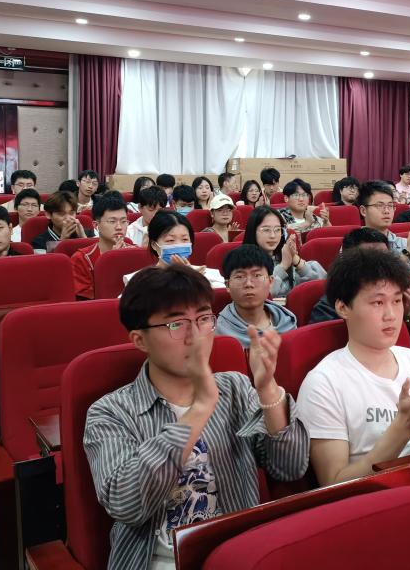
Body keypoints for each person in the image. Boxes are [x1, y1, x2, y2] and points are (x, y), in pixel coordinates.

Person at [84, 265, 309, 569]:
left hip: (238, 553)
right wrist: (200, 408)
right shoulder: (110, 412)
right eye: (176, 324)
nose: (196, 336)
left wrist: (267, 388)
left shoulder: (235, 387)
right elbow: (127, 504)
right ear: (139, 340)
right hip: (158, 561)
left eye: (204, 319)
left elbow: (290, 467)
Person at [296, 248, 410, 485]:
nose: (391, 315)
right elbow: (333, 483)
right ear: (343, 307)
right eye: (378, 302)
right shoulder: (323, 383)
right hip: (379, 501)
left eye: (397, 301)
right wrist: (403, 427)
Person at [309, 228, 410, 335]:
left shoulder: (393, 293)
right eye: (370, 260)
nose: (381, 267)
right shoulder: (327, 308)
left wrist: (407, 315)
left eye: (385, 259)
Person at [215, 245, 298, 347]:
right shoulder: (219, 332)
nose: (248, 284)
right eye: (239, 277)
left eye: (257, 275)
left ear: (270, 281)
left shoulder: (287, 322)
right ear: (227, 285)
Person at [126, 210, 225, 290]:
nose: (178, 245)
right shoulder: (139, 281)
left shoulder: (207, 275)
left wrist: (196, 280)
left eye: (185, 239)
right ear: (154, 245)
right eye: (170, 240)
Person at [242, 207, 325, 298]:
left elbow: (321, 287)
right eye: (266, 230)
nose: (273, 236)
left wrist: (296, 260)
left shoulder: (285, 257)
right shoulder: (242, 262)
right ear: (253, 231)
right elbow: (260, 295)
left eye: (277, 229)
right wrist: (282, 266)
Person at [358, 181, 410, 270]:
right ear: (363, 211)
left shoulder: (406, 243)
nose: (387, 211)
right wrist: (408, 254)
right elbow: (375, 276)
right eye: (379, 205)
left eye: (390, 205)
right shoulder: (353, 244)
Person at [71, 195, 134, 299]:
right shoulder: (82, 259)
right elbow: (88, 303)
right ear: (96, 225)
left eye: (124, 221)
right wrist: (111, 263)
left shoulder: (136, 253)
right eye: (112, 221)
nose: (119, 227)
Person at [30, 191, 95, 250]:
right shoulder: (39, 242)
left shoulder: (89, 233)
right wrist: (62, 241)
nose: (68, 218)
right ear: (48, 214)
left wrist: (84, 238)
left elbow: (96, 257)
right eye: (61, 214)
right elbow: (48, 259)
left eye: (71, 213)